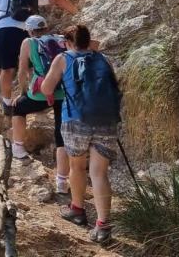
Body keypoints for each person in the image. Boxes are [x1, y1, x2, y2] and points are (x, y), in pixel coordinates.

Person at [40, 24, 121, 245]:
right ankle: (103, 226)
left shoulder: (63, 58)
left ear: (67, 42)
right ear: (88, 40)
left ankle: (77, 209)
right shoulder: (103, 59)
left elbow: (47, 88)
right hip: (106, 120)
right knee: (99, 173)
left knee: (77, 167)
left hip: (75, 120)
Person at [0, 0, 77, 115]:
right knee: (32, 66)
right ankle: (34, 96)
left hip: (5, 31)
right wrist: (77, 12)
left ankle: (7, 104)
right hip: (28, 29)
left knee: (7, 69)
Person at [11, 16, 69, 194]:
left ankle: (18, 148)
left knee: (18, 108)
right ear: (46, 27)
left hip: (41, 92)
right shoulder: (60, 39)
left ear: (29, 30)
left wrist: (22, 93)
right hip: (62, 92)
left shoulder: (28, 42)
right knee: (61, 135)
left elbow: (22, 70)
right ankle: (61, 182)